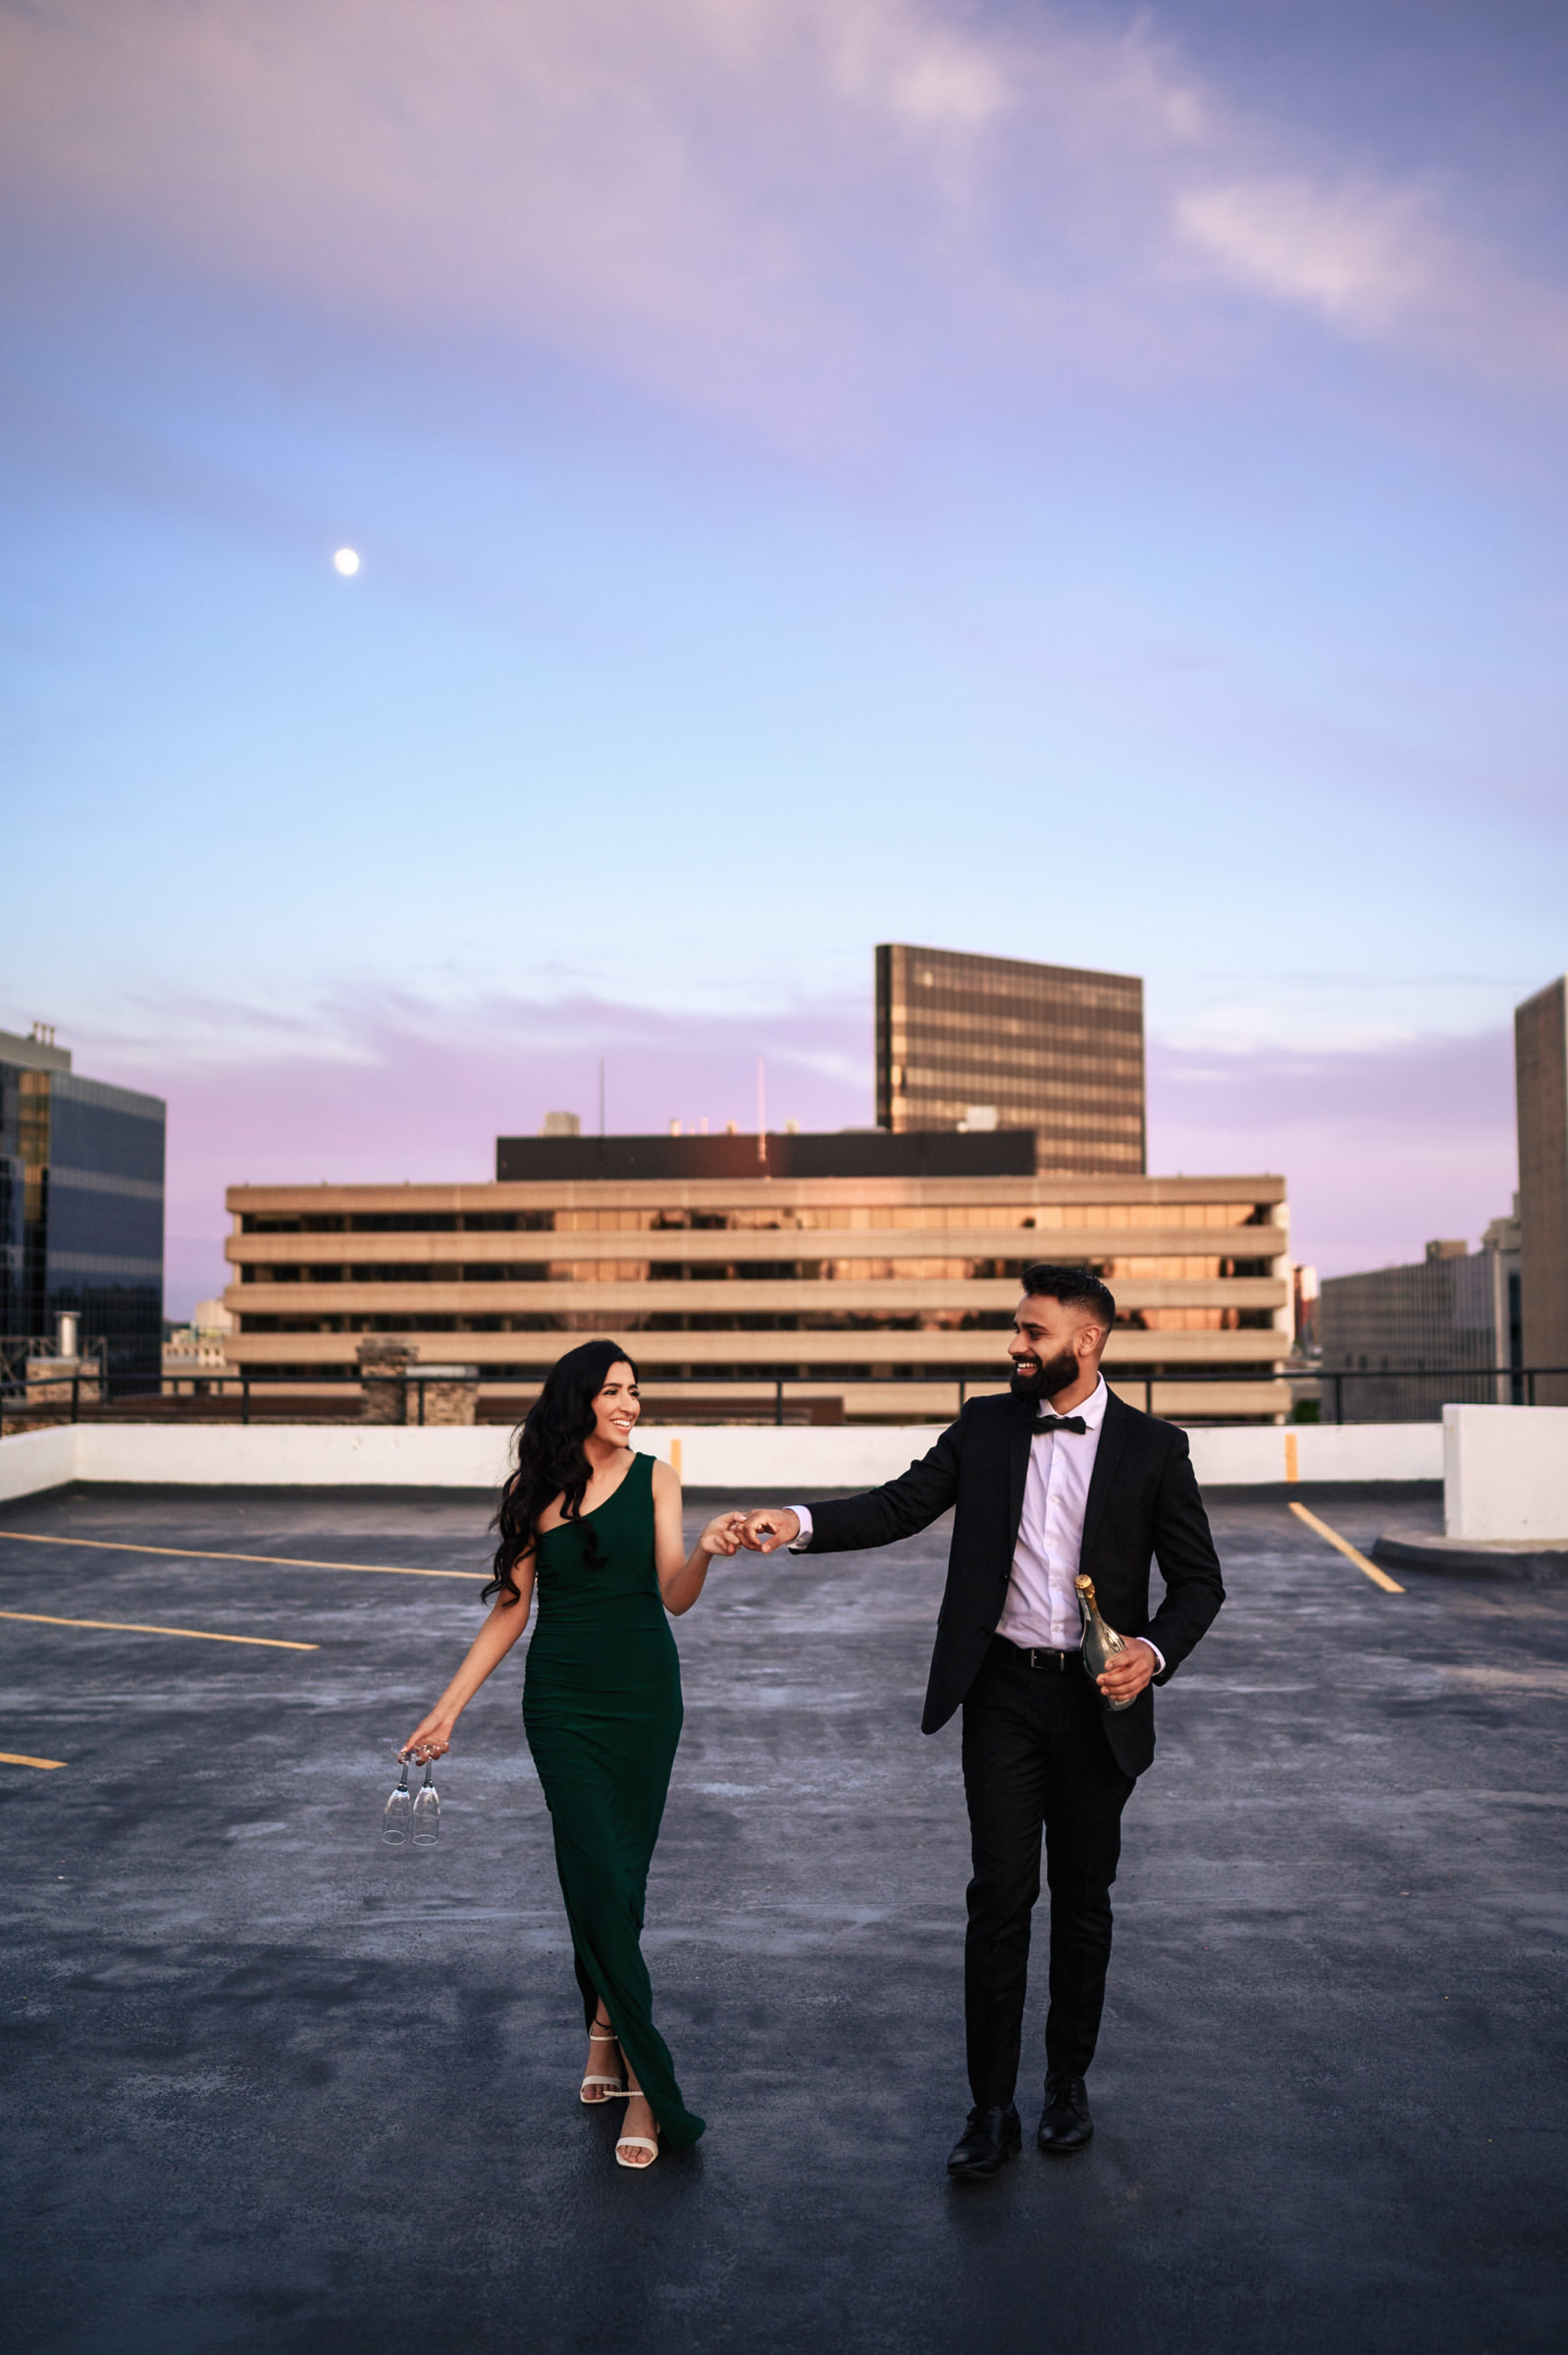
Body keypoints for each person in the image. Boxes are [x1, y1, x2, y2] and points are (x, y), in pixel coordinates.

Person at [737, 1264, 1225, 2179]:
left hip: (1098, 1704)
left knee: (1083, 1903)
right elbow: (898, 1505)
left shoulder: (1156, 1449)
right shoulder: (987, 1422)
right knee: (999, 1899)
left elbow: (1200, 1583)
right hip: (1000, 1693)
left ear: (1085, 1341)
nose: (1014, 1345)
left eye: (1032, 1332)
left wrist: (1151, 1654)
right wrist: (794, 1520)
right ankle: (990, 2106)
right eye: (1015, 1329)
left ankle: (1066, 2087)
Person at [400, 1337, 744, 2171]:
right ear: (579, 1400)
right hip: (562, 1706)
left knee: (620, 1882)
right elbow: (510, 1613)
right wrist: (445, 1712)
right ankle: (647, 2089)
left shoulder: (659, 1477)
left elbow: (675, 1596)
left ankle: (601, 2027)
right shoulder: (534, 1491)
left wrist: (703, 1549)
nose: (630, 1404)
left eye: (636, 1390)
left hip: (643, 1701)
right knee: (593, 1872)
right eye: (615, 1391)